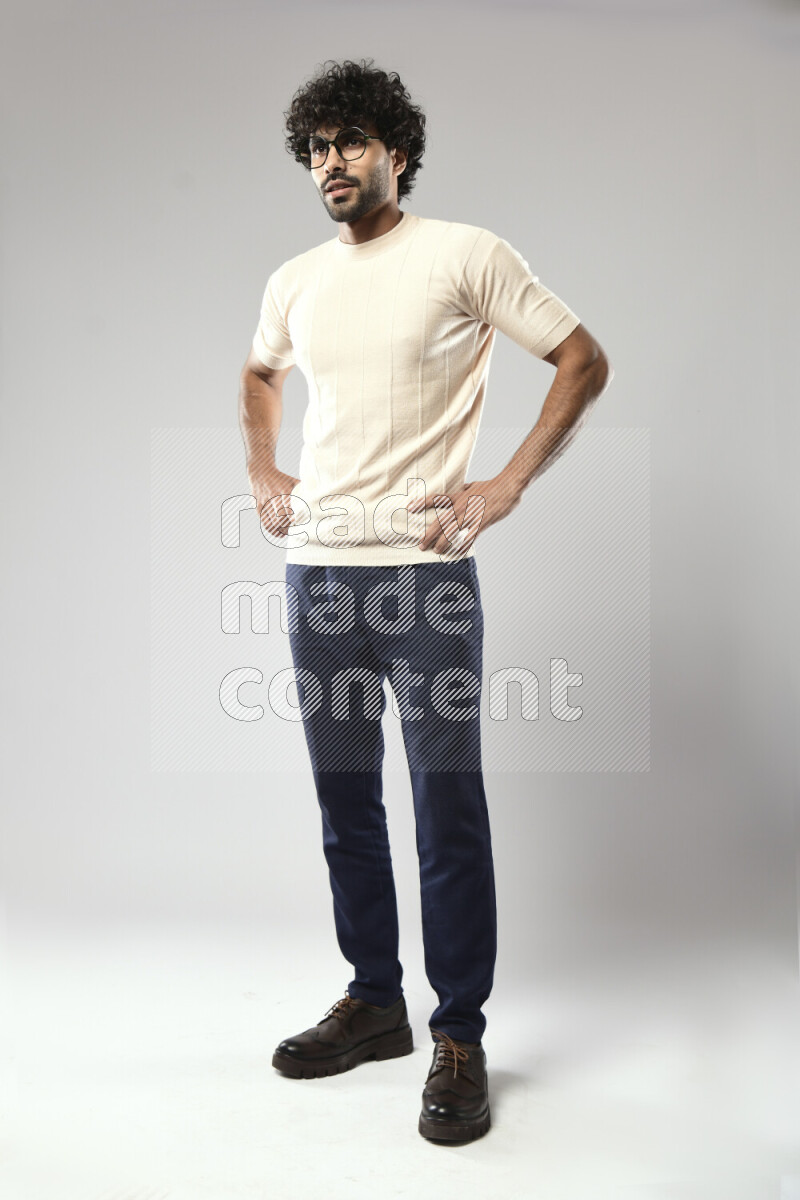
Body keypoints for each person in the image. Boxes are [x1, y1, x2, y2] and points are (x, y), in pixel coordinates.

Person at [238, 57, 613, 1143]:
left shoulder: (463, 255)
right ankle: (372, 1001)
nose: (330, 164)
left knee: (445, 809)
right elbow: (259, 372)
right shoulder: (293, 280)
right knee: (345, 804)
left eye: (350, 142)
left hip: (423, 586)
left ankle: (457, 1031)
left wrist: (502, 487)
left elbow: (581, 358)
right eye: (315, 149)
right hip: (319, 576)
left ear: (396, 150)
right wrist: (263, 471)